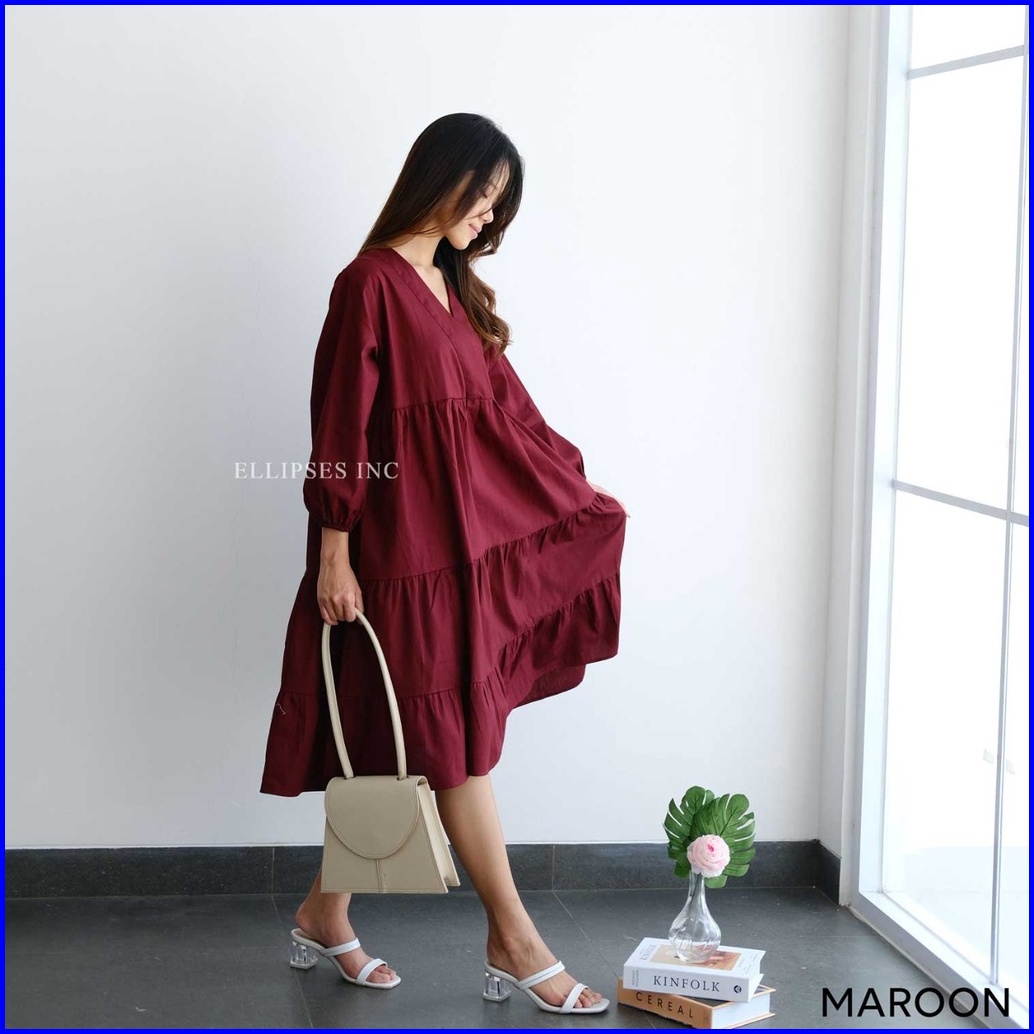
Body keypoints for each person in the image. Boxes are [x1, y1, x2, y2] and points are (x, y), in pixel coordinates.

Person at [259, 112, 629, 1015]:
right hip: (393, 557)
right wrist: (334, 552)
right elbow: (340, 426)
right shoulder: (368, 284)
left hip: (457, 556)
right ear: (440, 176)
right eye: (482, 194)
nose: (489, 215)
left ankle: (322, 914)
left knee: (411, 742)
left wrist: (573, 486)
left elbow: (507, 413)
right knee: (448, 741)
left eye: (500, 203)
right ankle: (515, 938)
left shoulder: (454, 287)